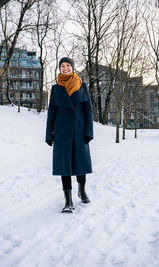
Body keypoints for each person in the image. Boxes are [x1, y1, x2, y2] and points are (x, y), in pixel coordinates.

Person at [45, 57, 94, 213]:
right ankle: (68, 200)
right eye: (62, 66)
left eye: (68, 65)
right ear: (60, 69)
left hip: (79, 131)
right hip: (62, 132)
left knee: (81, 164)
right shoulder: (56, 88)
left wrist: (88, 131)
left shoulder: (82, 86)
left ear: (73, 67)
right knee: (64, 166)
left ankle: (82, 190)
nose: (65, 68)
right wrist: (49, 134)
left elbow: (88, 110)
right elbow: (51, 111)